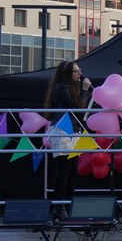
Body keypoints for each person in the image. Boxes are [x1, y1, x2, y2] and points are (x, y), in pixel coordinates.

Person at [43, 61, 92, 200]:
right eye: (76, 71)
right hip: (63, 130)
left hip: (73, 130)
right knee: (63, 169)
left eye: (79, 70)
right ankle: (60, 205)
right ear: (67, 74)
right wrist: (84, 90)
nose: (80, 74)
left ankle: (68, 203)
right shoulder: (62, 88)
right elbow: (77, 107)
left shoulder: (70, 87)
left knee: (71, 170)